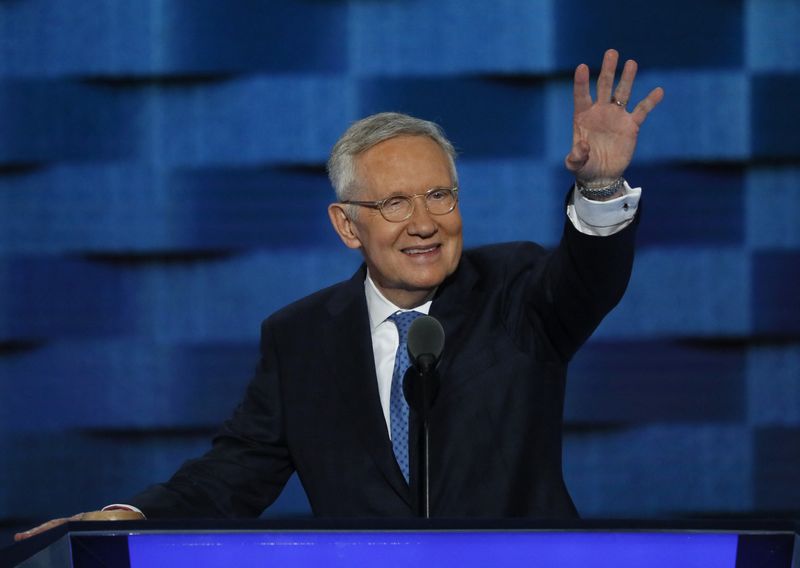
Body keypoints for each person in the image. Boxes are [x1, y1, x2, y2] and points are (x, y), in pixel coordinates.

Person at [16, 48, 663, 539]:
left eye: (440, 194)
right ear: (346, 225)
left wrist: (601, 188)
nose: (424, 222)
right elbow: (235, 473)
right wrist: (126, 515)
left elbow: (589, 279)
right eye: (394, 202)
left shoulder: (516, 291)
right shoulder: (300, 340)